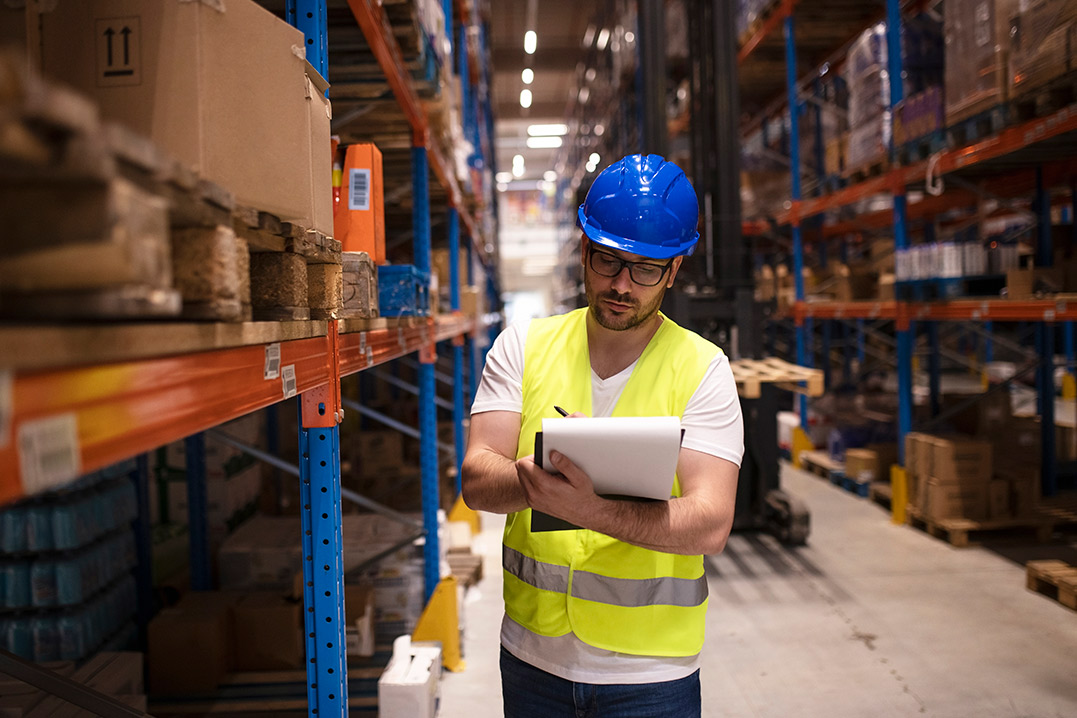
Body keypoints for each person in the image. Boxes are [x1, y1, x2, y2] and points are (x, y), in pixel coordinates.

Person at [460, 154, 744, 718]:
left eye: (644, 270)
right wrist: (529, 481)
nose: (620, 285)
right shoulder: (524, 347)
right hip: (532, 658)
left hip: (650, 674)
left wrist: (589, 508)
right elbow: (476, 480)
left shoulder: (703, 369)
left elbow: (711, 522)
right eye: (606, 261)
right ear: (584, 249)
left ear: (675, 269)